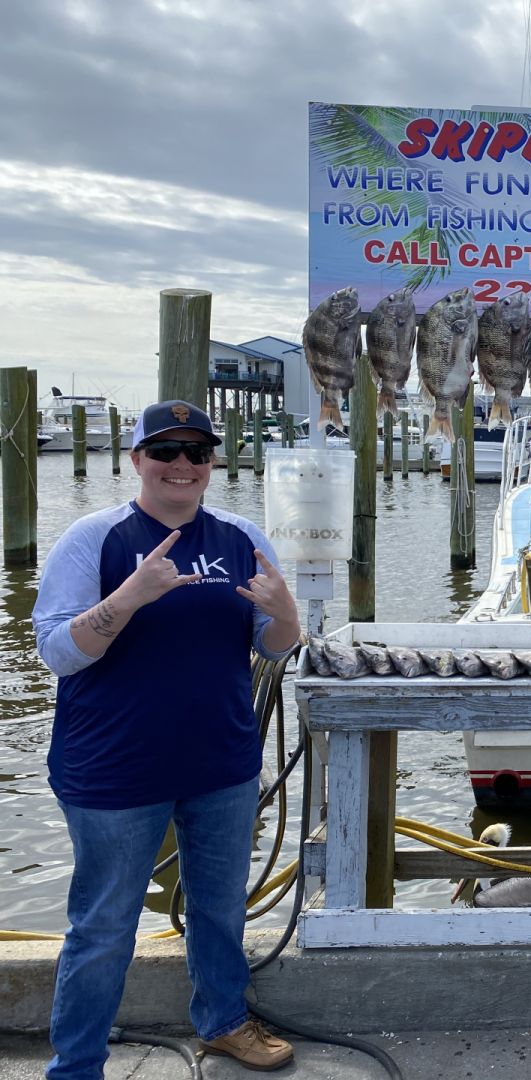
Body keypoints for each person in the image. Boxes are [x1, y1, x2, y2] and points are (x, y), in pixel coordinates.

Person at [32, 400, 301, 1078]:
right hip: (113, 771)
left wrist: (287, 615)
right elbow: (58, 653)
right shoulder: (94, 538)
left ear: (212, 464)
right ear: (137, 461)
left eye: (197, 452)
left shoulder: (241, 537)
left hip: (222, 763)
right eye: (165, 451)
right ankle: (77, 1065)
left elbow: (273, 645)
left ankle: (223, 1022)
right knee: (103, 927)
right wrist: (130, 596)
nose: (182, 464)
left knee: (220, 908)